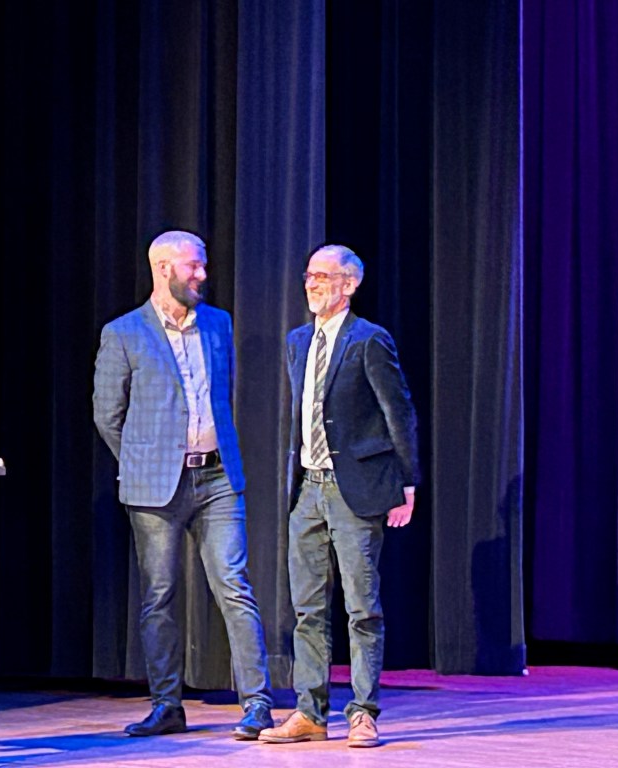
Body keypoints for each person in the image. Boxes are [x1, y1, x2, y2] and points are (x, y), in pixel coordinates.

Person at [92, 230, 274, 740]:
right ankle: (166, 705)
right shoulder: (124, 332)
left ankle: (257, 703)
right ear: (164, 268)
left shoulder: (218, 323)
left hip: (217, 476)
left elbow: (225, 392)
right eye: (193, 266)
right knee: (160, 595)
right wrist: (146, 459)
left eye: (202, 266)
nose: (202, 275)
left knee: (234, 586)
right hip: (155, 487)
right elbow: (108, 414)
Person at [259, 244, 419, 749]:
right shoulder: (297, 340)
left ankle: (363, 712)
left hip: (357, 491)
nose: (312, 284)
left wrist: (406, 483)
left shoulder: (370, 340)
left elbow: (400, 413)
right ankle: (309, 712)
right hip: (307, 489)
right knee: (306, 609)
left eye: (323, 277)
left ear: (349, 284)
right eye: (308, 275)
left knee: (362, 608)